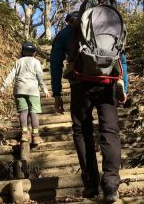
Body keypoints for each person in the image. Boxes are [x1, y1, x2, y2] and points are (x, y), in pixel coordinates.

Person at [50, 11, 129, 202]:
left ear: (70, 21)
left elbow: (55, 63)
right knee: (110, 131)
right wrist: (124, 86)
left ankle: (91, 185)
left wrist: (57, 93)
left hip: (80, 85)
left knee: (82, 130)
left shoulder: (64, 34)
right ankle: (111, 186)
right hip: (108, 82)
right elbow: (122, 58)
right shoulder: (107, 29)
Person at [0, 42, 50, 145]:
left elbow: (11, 75)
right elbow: (40, 77)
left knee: (23, 112)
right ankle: (35, 136)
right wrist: (45, 90)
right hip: (33, 91)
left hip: (20, 90)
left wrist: (2, 88)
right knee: (33, 113)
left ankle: (24, 133)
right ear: (34, 53)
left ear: (22, 52)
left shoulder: (18, 62)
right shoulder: (36, 62)